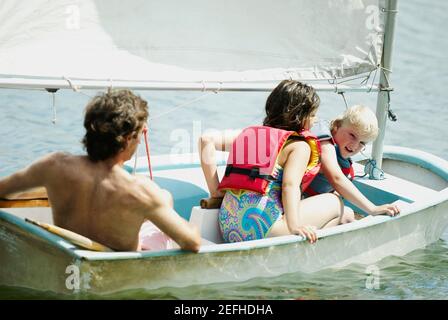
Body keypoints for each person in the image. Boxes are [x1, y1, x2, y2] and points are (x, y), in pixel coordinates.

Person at [0, 89, 201, 252]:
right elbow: (192, 243)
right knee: (165, 199)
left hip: (66, 257)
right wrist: (170, 211)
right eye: (140, 133)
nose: (141, 139)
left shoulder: (54, 166)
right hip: (120, 272)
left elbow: (3, 189)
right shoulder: (141, 192)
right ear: (128, 138)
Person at [199, 80, 352, 244]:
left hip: (227, 226)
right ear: (300, 116)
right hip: (263, 231)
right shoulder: (298, 145)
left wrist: (216, 192)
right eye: (313, 115)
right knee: (336, 203)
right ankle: (303, 252)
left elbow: (205, 139)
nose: (315, 121)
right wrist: (294, 226)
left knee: (343, 214)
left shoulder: (250, 135)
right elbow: (289, 186)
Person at [304, 105, 400, 219]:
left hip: (307, 202)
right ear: (336, 126)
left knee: (346, 215)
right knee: (345, 212)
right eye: (352, 135)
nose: (355, 146)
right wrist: (373, 209)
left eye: (362, 143)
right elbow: (336, 178)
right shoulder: (323, 141)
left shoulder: (342, 157)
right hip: (293, 202)